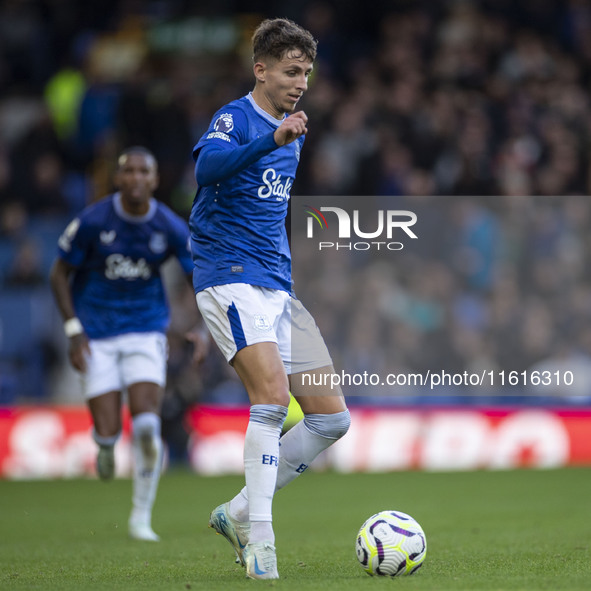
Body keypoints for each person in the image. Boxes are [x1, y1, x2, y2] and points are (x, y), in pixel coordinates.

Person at [190, 18, 351, 579]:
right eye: (290, 71)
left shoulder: (293, 130)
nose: (301, 81)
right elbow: (205, 169)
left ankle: (237, 510)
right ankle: (261, 540)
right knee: (272, 401)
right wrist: (268, 140)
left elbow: (269, 210)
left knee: (332, 419)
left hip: (276, 285)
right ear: (261, 69)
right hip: (229, 276)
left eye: (306, 72)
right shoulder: (237, 118)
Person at [50, 146, 207, 542]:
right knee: (108, 430)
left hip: (146, 330)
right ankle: (104, 446)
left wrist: (201, 325)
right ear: (118, 179)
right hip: (97, 333)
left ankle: (141, 516)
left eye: (144, 172)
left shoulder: (169, 226)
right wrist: (73, 330)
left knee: (147, 426)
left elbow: (196, 276)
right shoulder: (93, 221)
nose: (136, 178)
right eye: (129, 171)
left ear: (154, 181)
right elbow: (58, 273)